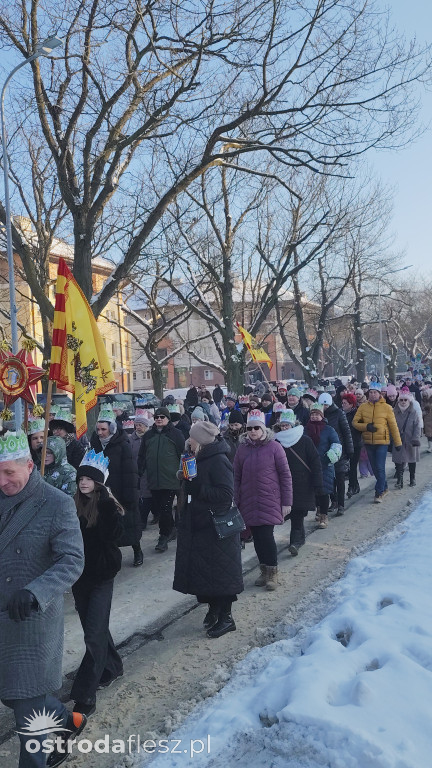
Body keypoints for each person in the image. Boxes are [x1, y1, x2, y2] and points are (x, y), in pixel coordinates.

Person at [0, 430, 86, 768]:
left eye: (9, 472)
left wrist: (36, 591)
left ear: (29, 466)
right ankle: (67, 719)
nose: (3, 481)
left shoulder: (56, 503)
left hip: (30, 621)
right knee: (11, 695)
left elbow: (72, 560)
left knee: (28, 713)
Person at [173, 421, 243, 638]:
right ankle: (214, 609)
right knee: (206, 574)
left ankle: (226, 617)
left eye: (192, 437)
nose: (189, 440)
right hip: (199, 525)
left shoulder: (219, 460)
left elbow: (225, 494)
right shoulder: (196, 457)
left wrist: (198, 489)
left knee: (221, 574)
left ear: (201, 441)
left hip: (216, 527)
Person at [71, 450, 124, 716]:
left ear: (99, 482)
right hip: (79, 577)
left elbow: (114, 536)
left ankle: (85, 693)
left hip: (102, 575)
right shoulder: (72, 504)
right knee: (95, 627)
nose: (84, 482)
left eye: (89, 479)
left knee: (93, 633)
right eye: (81, 478)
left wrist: (105, 503)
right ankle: (112, 666)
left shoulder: (107, 506)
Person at [234, 409, 292, 590]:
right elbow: (236, 476)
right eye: (250, 428)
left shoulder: (275, 447)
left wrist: (286, 501)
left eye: (256, 428)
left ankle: (272, 572)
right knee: (257, 538)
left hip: (269, 500)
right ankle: (263, 570)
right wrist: (236, 500)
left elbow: (285, 475)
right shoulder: (242, 449)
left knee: (266, 537)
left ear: (263, 429)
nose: (253, 431)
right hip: (249, 501)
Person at [91, 405, 143, 566]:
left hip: (121, 489)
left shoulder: (123, 445)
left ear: (111, 429)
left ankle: (137, 550)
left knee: (128, 524)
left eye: (103, 429)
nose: (100, 433)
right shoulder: (95, 444)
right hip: (103, 491)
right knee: (108, 526)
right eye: (98, 429)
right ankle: (111, 559)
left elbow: (130, 472)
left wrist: (130, 495)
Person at [275, 410, 323, 555]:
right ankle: (297, 540)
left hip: (302, 484)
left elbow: (315, 462)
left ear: (293, 425)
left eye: (287, 426)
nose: (284, 428)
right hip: (282, 485)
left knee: (297, 515)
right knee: (284, 515)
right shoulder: (276, 442)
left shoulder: (304, 440)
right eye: (282, 426)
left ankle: (295, 542)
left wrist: (318, 484)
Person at [138, 406, 185, 552]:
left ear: (168, 419)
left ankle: (163, 536)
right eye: (156, 417)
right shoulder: (148, 435)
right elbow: (142, 456)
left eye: (162, 417)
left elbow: (182, 455)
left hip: (171, 480)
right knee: (160, 509)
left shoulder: (176, 434)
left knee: (165, 508)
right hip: (154, 479)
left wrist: (182, 475)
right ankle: (171, 530)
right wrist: (139, 472)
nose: (159, 419)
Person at [352, 382, 402, 503]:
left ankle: (378, 492)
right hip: (368, 441)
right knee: (375, 469)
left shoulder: (387, 408)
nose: (373, 394)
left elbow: (393, 426)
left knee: (379, 467)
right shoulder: (363, 407)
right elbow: (355, 423)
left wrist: (398, 442)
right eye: (371, 392)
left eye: (375, 392)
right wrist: (366, 427)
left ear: (380, 394)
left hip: (382, 442)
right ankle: (384, 487)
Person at [305, 404, 342, 528]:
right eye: (313, 414)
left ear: (322, 415)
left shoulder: (329, 429)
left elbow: (336, 443)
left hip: (324, 464)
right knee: (314, 490)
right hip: (309, 465)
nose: (315, 417)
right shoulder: (305, 429)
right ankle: (318, 509)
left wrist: (330, 456)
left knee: (324, 490)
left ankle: (324, 516)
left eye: (317, 414)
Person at [318, 392, 353, 515]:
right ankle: (334, 501)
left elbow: (346, 432)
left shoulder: (339, 414)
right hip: (325, 452)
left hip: (339, 451)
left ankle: (341, 505)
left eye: (326, 405)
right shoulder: (319, 415)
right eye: (322, 405)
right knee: (330, 480)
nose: (324, 407)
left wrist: (349, 450)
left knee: (340, 478)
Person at [130, 410, 153, 535]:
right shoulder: (131, 439)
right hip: (135, 471)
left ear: (146, 426)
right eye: (137, 425)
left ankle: (145, 518)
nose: (138, 427)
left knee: (147, 496)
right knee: (138, 496)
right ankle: (140, 520)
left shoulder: (149, 438)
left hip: (147, 471)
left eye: (140, 425)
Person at [392, 392, 422, 488]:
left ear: (409, 401)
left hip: (411, 439)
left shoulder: (414, 412)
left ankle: (412, 478)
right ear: (398, 401)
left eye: (405, 400)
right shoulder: (394, 412)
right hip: (398, 439)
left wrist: (415, 438)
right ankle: (399, 480)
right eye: (401, 400)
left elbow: (418, 426)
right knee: (398, 460)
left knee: (411, 459)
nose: (403, 402)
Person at [341, 392, 362, 499]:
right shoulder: (342, 414)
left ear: (351, 404)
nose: (343, 404)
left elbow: (359, 428)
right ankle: (355, 485)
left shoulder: (356, 414)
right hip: (346, 444)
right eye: (342, 403)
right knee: (349, 467)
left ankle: (351, 487)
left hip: (356, 443)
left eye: (345, 403)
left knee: (352, 466)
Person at [421, 388, 432, 452]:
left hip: (428, 418)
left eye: (425, 395)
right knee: (428, 434)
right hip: (427, 419)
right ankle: (430, 446)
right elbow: (423, 408)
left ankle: (430, 447)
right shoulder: (423, 400)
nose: (424, 397)